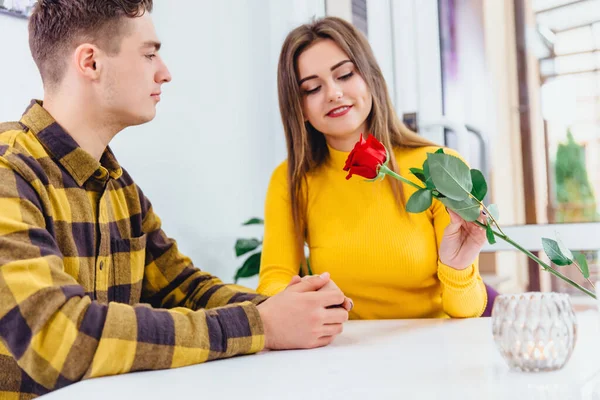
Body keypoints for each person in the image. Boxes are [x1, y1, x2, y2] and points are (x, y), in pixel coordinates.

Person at [0, 2, 350, 397]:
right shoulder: (8, 173)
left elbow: (185, 289)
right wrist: (262, 325)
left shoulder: (119, 188)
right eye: (149, 53)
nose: (164, 73)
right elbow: (57, 336)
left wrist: (291, 309)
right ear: (90, 63)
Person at [257, 17, 488, 320]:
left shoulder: (439, 166)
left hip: (430, 351)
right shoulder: (291, 180)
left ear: (370, 78)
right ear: (299, 109)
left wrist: (458, 267)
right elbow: (274, 278)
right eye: (312, 89)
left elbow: (467, 311)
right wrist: (292, 300)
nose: (333, 93)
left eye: (344, 75)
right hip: (339, 352)